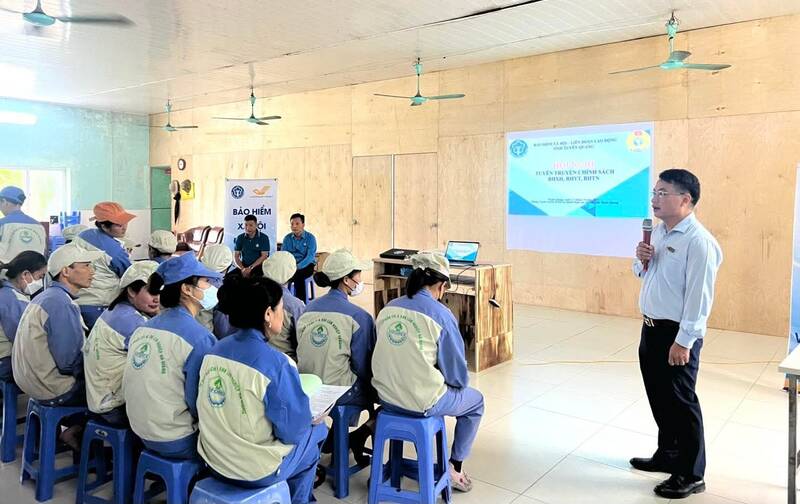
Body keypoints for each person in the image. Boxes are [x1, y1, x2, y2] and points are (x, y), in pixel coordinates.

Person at [630, 169, 722, 499]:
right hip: (651, 328)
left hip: (676, 335)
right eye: (654, 193)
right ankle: (668, 454)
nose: (654, 199)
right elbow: (643, 273)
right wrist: (641, 260)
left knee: (682, 403)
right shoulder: (657, 232)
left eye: (662, 193)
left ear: (685, 200)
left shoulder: (699, 242)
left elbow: (699, 297)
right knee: (659, 396)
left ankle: (691, 473)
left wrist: (684, 341)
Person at [197, 275, 327, 504]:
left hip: (212, 461)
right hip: (253, 471)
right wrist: (311, 418)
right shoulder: (277, 364)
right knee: (317, 432)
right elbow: (293, 432)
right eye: (281, 309)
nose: (283, 315)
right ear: (268, 314)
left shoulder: (213, 350)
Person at [372, 252, 484, 492]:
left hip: (386, 398)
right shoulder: (441, 315)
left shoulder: (388, 308)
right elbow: (457, 376)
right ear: (442, 286)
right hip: (421, 401)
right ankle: (455, 467)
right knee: (476, 402)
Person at [122, 253, 220, 459]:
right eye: (205, 281)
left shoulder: (143, 328)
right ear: (187, 289)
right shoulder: (199, 338)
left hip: (140, 430)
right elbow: (199, 403)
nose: (211, 287)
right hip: (176, 438)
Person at [12, 243, 103, 449]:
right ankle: (80, 437)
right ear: (66, 271)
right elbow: (68, 363)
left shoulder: (46, 296)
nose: (92, 272)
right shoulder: (60, 303)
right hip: (51, 387)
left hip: (32, 382)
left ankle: (73, 431)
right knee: (113, 396)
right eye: (86, 265)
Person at [296, 249, 376, 462]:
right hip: (339, 392)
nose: (360, 279)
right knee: (389, 400)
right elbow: (362, 366)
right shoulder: (360, 317)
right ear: (347, 280)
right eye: (358, 274)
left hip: (307, 387)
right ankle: (355, 437)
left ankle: (333, 438)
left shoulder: (307, 309)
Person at [83, 261, 160, 427]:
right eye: (152, 292)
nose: (157, 299)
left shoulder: (117, 310)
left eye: (161, 292)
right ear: (131, 291)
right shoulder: (131, 321)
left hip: (99, 398)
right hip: (113, 407)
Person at [72, 202, 136, 331]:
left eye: (125, 222)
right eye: (119, 225)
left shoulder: (84, 235)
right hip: (99, 306)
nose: (124, 227)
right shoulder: (115, 252)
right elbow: (130, 276)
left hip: (77, 302)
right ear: (104, 226)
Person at [0, 251, 47, 381]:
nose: (41, 282)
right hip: (5, 362)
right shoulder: (15, 299)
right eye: (40, 277)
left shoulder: (4, 290)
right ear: (25, 274)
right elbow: (22, 338)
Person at [262, 251, 305, 360]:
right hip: (284, 361)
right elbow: (303, 341)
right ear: (292, 275)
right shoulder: (295, 306)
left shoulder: (250, 295)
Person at [0, 186, 46, 264]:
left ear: (4, 202)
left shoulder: (2, 224)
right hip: (34, 270)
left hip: (7, 270)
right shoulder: (39, 226)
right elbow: (43, 252)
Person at [199, 244, 235, 338]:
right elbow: (222, 331)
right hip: (206, 339)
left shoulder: (191, 280)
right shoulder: (221, 290)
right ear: (226, 267)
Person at [282, 213, 317, 303]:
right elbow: (284, 255)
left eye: (297, 224)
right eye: (292, 224)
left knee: (299, 277)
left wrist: (297, 266)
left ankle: (301, 304)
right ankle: (285, 302)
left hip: (307, 265)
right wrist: (289, 266)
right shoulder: (287, 238)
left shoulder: (310, 238)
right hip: (291, 265)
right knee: (278, 276)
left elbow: (310, 257)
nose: (294, 226)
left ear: (303, 224)